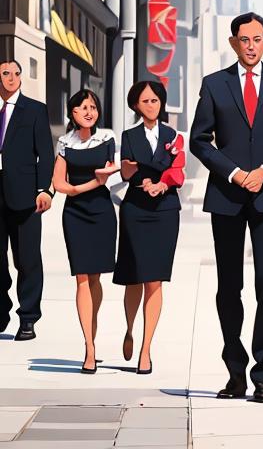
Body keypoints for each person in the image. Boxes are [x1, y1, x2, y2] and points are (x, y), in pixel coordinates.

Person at [189, 12, 263, 404]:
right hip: (227, 195)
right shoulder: (214, 85)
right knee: (229, 287)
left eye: (258, 39)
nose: (251, 45)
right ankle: (234, 371)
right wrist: (236, 172)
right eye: (244, 39)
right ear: (233, 42)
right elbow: (200, 141)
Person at [115, 80, 184, 376]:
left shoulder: (173, 135)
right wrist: (137, 175)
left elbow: (178, 169)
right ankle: (130, 329)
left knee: (154, 280)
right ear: (135, 105)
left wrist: (161, 183)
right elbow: (127, 168)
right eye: (145, 101)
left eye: (155, 100)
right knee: (134, 277)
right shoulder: (129, 135)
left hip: (165, 211)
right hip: (135, 209)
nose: (151, 105)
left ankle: (146, 349)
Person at [52, 89, 118, 373]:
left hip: (102, 212)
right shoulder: (64, 143)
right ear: (72, 113)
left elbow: (108, 175)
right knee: (81, 277)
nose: (89, 111)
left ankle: (92, 327)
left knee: (95, 278)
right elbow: (58, 182)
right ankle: (89, 348)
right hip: (75, 215)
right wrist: (82, 187)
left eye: (92, 107)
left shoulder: (107, 138)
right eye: (82, 108)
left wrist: (79, 188)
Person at [0, 60, 53, 342]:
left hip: (26, 195)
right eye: (5, 73)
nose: (12, 78)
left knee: (28, 259)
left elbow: (45, 153)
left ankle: (28, 318)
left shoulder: (34, 110)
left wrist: (44, 189)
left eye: (16, 73)